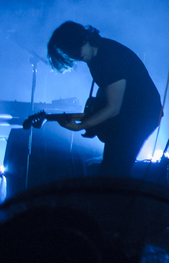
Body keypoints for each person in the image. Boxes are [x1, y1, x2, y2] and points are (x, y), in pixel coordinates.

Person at [46, 22, 162, 178]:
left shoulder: (110, 57)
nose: (75, 54)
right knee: (112, 171)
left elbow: (113, 108)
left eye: (76, 47)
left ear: (85, 38)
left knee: (113, 172)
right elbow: (108, 92)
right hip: (130, 115)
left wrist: (80, 126)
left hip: (141, 115)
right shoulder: (96, 55)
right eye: (69, 52)